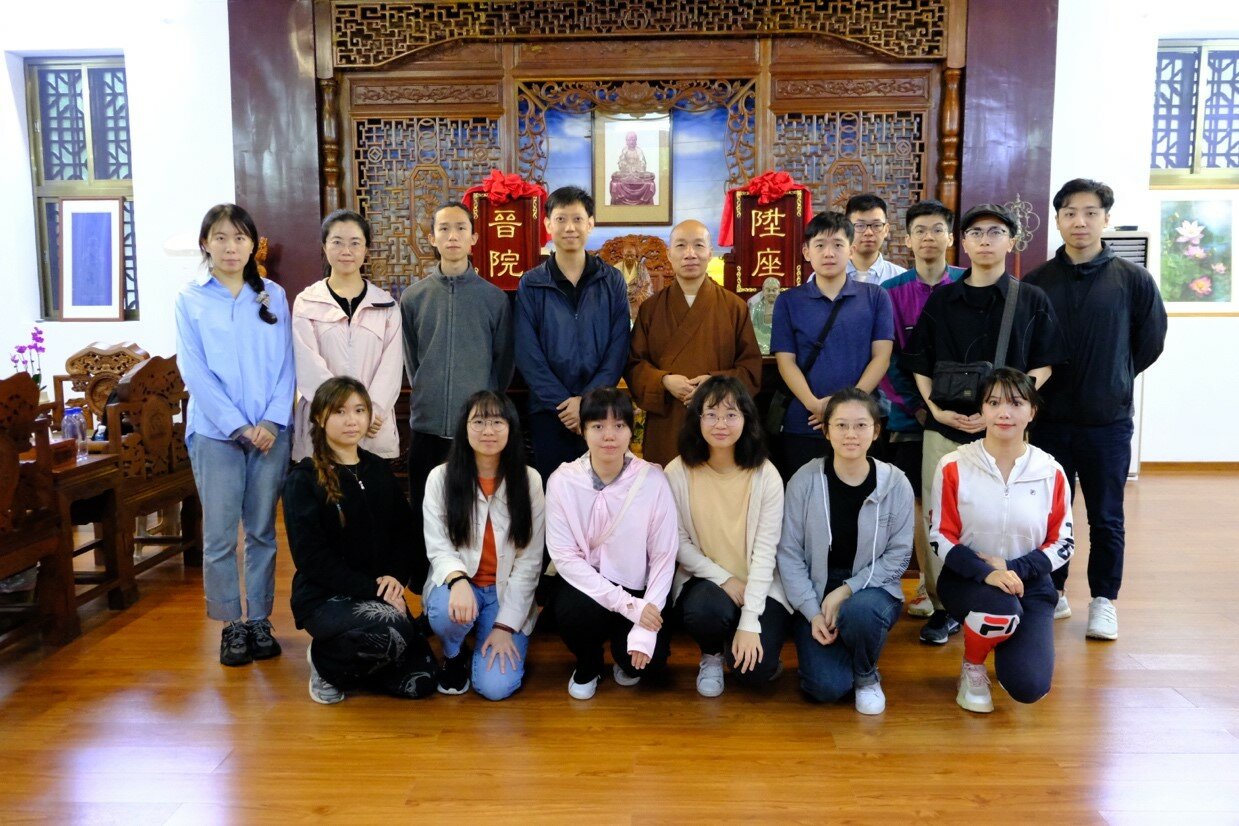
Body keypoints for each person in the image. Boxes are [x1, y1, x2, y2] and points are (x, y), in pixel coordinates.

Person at [903, 203, 1067, 645]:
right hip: (945, 428)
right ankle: (946, 606)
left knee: (1006, 514)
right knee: (941, 519)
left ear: (1011, 242)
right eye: (975, 233)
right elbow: (918, 359)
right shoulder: (943, 298)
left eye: (995, 232)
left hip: (1007, 432)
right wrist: (934, 411)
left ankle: (1010, 592)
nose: (985, 240)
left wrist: (1006, 409)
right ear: (964, 243)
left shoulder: (1030, 299)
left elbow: (1046, 362)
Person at [1025, 178, 1167, 639]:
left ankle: (1104, 599)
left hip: (1107, 421)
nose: (1079, 221)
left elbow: (1149, 342)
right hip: (1049, 421)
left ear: (1105, 217)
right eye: (1069, 212)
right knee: (1051, 514)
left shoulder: (1132, 279)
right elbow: (1028, 348)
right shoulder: (1037, 281)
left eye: (1089, 212)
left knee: (1107, 516)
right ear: (1059, 220)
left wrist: (1115, 376)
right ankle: (1055, 591)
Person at [175, 204, 295, 666]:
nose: (231, 247)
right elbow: (195, 371)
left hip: (269, 432)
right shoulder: (190, 298)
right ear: (206, 243)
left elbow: (287, 364)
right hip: (215, 435)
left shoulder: (273, 296)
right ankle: (231, 625)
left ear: (253, 245)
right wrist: (238, 425)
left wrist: (270, 422)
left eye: (240, 238)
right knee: (222, 535)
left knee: (263, 531)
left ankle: (260, 618)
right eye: (221, 238)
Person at [283, 378, 437, 703]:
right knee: (392, 630)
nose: (351, 420)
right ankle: (325, 662)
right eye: (339, 411)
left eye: (359, 410)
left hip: (380, 592)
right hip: (326, 597)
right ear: (320, 417)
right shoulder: (304, 479)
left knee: (421, 682)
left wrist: (395, 578)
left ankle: (360, 664)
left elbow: (406, 532)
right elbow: (312, 559)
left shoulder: (378, 469)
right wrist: (374, 589)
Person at [929, 368, 1074, 713]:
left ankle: (1001, 635)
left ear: (1032, 411)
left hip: (1031, 584)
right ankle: (974, 663)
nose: (1004, 413)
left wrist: (1011, 568)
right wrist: (988, 572)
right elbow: (940, 536)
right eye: (993, 403)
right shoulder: (954, 465)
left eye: (1016, 403)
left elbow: (1063, 543)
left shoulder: (1050, 471)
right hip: (968, 579)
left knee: (1029, 687)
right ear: (982, 410)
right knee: (999, 610)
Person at [777, 387, 913, 715]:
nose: (851, 434)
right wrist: (811, 611)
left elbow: (899, 555)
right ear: (825, 431)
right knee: (826, 688)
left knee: (861, 612)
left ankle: (866, 675)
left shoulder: (895, 483)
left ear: (876, 430)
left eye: (861, 425)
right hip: (815, 588)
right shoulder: (804, 480)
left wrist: (845, 591)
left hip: (872, 589)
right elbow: (789, 553)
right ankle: (841, 653)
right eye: (840, 425)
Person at [400, 202, 514, 567]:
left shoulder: (494, 298)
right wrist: (429, 394)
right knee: (424, 509)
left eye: (461, 229)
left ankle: (474, 583)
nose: (452, 236)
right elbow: (411, 360)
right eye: (444, 229)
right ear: (432, 238)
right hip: (428, 424)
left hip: (476, 430)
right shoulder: (414, 297)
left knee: (472, 512)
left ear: (473, 238)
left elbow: (503, 364)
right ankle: (425, 587)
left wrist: (484, 412)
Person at [545, 387, 678, 700]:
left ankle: (624, 657)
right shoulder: (563, 481)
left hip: (636, 585)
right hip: (589, 586)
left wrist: (645, 624)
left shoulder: (652, 480)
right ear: (583, 430)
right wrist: (628, 607)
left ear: (632, 430)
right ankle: (589, 663)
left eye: (619, 426)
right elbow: (565, 557)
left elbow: (663, 555)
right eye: (598, 426)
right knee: (572, 612)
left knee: (646, 664)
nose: (609, 436)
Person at [664, 377, 789, 697]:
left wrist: (749, 622)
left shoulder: (766, 475)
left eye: (731, 414)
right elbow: (677, 542)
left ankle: (740, 638)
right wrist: (724, 579)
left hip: (759, 583)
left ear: (747, 419)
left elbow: (765, 552)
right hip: (706, 581)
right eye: (711, 414)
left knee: (754, 672)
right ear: (697, 419)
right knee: (705, 611)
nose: (721, 424)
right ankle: (711, 655)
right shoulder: (677, 472)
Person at [423, 391, 544, 700]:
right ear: (464, 427)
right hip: (461, 585)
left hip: (504, 593)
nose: (488, 430)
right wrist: (459, 579)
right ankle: (454, 654)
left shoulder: (530, 481)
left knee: (495, 687)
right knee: (442, 611)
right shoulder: (441, 477)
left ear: (511, 428)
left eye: (496, 422)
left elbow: (530, 562)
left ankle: (489, 631)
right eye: (478, 421)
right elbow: (437, 545)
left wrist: (505, 627)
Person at [879, 200, 965, 620]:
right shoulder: (890, 294)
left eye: (937, 229)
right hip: (910, 419)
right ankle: (924, 587)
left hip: (969, 419)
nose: (929, 238)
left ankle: (965, 584)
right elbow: (888, 359)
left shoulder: (969, 284)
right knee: (919, 502)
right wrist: (917, 407)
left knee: (965, 501)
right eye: (920, 231)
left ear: (951, 237)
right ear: (907, 240)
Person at [515, 186, 629, 487]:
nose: (569, 227)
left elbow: (618, 346)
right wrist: (564, 403)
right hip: (549, 412)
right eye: (561, 219)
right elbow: (528, 352)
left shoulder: (611, 280)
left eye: (577, 219)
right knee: (554, 494)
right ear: (548, 225)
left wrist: (587, 401)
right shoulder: (532, 283)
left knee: (604, 494)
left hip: (600, 411)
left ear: (591, 223)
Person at [628, 219, 763, 466]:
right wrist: (663, 381)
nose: (690, 254)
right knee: (667, 494)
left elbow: (751, 370)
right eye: (681, 246)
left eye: (698, 246)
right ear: (669, 255)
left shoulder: (734, 307)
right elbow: (633, 364)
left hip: (718, 423)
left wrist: (715, 383)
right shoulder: (650, 309)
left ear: (710, 253)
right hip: (668, 422)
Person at [771, 211, 893, 481]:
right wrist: (814, 404)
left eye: (838, 244)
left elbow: (881, 358)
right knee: (802, 497)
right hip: (805, 421)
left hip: (859, 423)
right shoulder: (789, 301)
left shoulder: (875, 297)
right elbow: (785, 361)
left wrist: (845, 408)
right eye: (820, 245)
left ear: (851, 249)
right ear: (806, 252)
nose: (829, 253)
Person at [292, 209, 402, 462]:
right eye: (337, 242)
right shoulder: (307, 302)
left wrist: (368, 413)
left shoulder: (386, 305)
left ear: (366, 249)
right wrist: (337, 412)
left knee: (370, 494)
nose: (346, 251)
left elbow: (391, 367)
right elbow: (307, 364)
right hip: (323, 421)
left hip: (373, 424)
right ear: (324, 247)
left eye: (355, 243)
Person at [845, 193, 906, 285]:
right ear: (847, 229)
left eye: (876, 225)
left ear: (886, 230)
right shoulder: (826, 277)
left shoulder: (901, 279)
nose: (868, 232)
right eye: (860, 225)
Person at [610, 131, 657, 205]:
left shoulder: (639, 151)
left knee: (651, 177)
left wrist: (636, 168)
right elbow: (621, 162)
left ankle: (644, 200)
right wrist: (626, 166)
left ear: (636, 141)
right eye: (629, 140)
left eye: (633, 140)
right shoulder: (625, 150)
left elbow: (643, 163)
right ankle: (620, 200)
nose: (631, 142)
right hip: (626, 174)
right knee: (614, 177)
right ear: (627, 141)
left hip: (637, 174)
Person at [618, 240, 654, 320]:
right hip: (620, 299)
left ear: (636, 256)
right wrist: (623, 295)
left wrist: (638, 296)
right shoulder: (616, 268)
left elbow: (647, 286)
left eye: (632, 255)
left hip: (638, 300)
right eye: (627, 255)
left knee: (641, 310)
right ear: (622, 255)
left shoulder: (641, 268)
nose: (630, 258)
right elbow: (611, 288)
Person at [747, 276, 781, 354]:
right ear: (763, 291)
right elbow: (752, 327)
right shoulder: (756, 307)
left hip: (779, 343)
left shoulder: (784, 307)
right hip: (760, 342)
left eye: (774, 290)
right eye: (768, 290)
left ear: (779, 291)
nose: (771, 293)